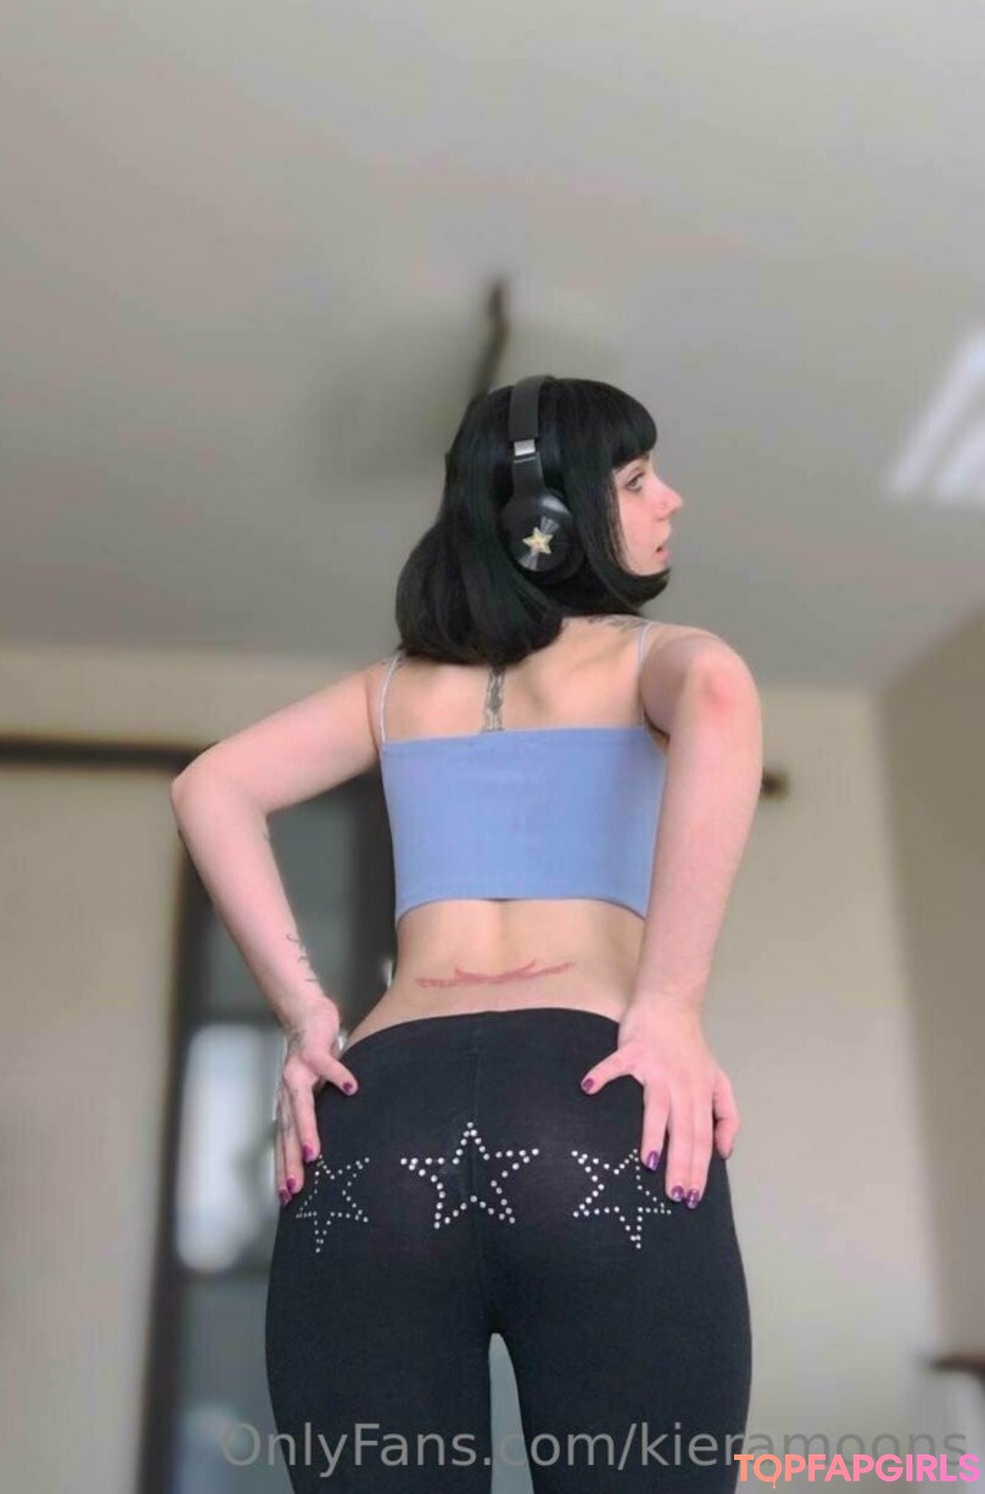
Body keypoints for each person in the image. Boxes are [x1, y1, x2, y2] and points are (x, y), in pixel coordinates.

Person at [169, 375, 764, 1491]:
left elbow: (210, 787)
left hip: (379, 1121)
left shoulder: (394, 688)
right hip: (589, 1106)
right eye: (638, 479)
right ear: (552, 518)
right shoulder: (651, 657)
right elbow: (723, 699)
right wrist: (672, 1004)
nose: (670, 499)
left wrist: (306, 1017)